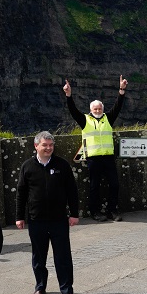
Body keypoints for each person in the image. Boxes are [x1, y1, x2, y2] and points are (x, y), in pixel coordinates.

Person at [15, 131, 82, 294]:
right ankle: (40, 287)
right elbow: (21, 193)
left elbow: (72, 191)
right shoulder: (27, 166)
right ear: (36, 146)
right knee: (39, 257)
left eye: (51, 145)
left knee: (63, 257)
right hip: (36, 220)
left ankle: (67, 290)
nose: (48, 148)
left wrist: (74, 214)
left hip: (58, 219)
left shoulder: (62, 165)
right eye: (45, 145)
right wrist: (19, 217)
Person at [63, 76, 127, 222]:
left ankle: (112, 210)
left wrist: (122, 90)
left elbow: (118, 105)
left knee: (114, 184)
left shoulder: (108, 118)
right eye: (95, 109)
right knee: (94, 186)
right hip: (93, 158)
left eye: (99, 108)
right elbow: (73, 110)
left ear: (102, 109)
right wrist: (68, 95)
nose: (97, 110)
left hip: (108, 157)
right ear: (90, 110)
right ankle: (95, 211)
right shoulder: (85, 120)